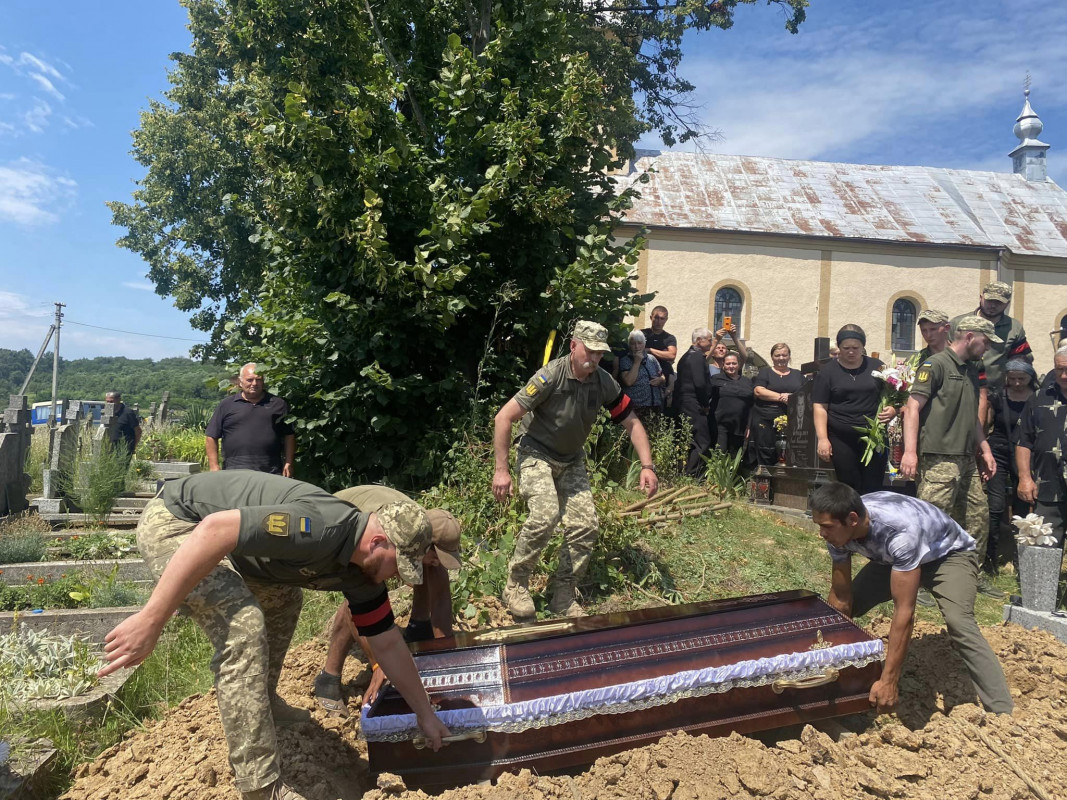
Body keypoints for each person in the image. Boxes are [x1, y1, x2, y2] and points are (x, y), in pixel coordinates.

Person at [98, 471, 452, 800]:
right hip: (178, 522)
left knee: (284, 599)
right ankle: (260, 786)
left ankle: (262, 701)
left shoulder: (362, 573)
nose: (398, 577)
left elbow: (387, 641)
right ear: (377, 542)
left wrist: (425, 714)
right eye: (398, 565)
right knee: (244, 626)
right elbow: (214, 530)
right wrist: (151, 619)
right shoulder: (320, 528)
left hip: (235, 551)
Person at [493, 320, 658, 619]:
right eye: (590, 351)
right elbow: (504, 418)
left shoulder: (603, 382)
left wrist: (647, 466)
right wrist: (501, 470)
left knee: (585, 525)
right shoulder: (550, 376)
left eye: (599, 353)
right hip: (536, 452)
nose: (594, 359)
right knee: (545, 515)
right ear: (573, 346)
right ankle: (516, 583)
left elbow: (632, 422)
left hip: (571, 459)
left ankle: (563, 596)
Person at [810, 482, 1013, 715]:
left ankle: (1001, 710)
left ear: (853, 519)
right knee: (839, 613)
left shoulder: (899, 532)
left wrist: (889, 682)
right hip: (893, 560)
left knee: (959, 622)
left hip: (947, 555)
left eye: (826, 527)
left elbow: (904, 612)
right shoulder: (839, 527)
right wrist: (828, 658)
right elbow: (841, 598)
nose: (821, 534)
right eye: (819, 526)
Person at [313, 485, 461, 717]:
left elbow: (441, 598)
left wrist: (445, 658)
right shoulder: (390, 538)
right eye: (436, 555)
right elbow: (358, 608)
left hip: (393, 534)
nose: (436, 562)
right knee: (363, 598)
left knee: (428, 568)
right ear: (424, 544)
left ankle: (417, 630)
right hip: (338, 526)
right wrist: (379, 665)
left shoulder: (423, 538)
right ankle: (328, 677)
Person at [901, 316, 1001, 597]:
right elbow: (912, 408)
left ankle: (970, 576)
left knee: (977, 518)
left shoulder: (972, 369)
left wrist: (985, 449)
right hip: (938, 457)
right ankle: (919, 581)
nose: (988, 348)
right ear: (969, 336)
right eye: (986, 341)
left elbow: (972, 417)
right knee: (931, 521)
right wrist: (910, 452)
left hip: (966, 457)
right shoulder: (936, 365)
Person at [813, 325, 896, 494]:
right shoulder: (827, 372)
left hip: (874, 435)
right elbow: (820, 407)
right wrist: (822, 439)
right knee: (849, 483)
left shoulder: (877, 367)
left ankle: (871, 518)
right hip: (841, 437)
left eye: (855, 348)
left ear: (863, 347)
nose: (851, 352)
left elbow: (894, 394)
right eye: (846, 348)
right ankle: (852, 518)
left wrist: (893, 409)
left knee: (873, 482)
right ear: (839, 348)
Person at [985, 360, 1037, 568]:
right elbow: (987, 422)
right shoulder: (998, 396)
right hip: (999, 451)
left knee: (1022, 504)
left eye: (1021, 379)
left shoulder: (1037, 398)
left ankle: (1020, 559)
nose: (1016, 383)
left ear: (1030, 378)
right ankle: (990, 559)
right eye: (1012, 378)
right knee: (995, 506)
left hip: (1026, 453)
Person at [1016, 345, 1067, 547]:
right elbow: (1023, 441)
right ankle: (1043, 580)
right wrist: (1024, 478)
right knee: (1044, 548)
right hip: (1048, 486)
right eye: (1059, 369)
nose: (1063, 375)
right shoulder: (1038, 398)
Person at [206, 363, 296, 476]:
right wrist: (214, 466)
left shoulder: (278, 404)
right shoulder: (226, 405)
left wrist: (288, 463)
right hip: (234, 470)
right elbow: (211, 436)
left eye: (258, 380)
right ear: (240, 381)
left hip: (271, 470)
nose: (254, 384)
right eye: (250, 380)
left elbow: (289, 435)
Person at [950, 281, 1032, 391]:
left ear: (1007, 304)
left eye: (998, 302)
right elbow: (946, 355)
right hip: (961, 388)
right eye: (989, 301)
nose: (993, 306)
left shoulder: (1014, 328)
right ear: (981, 298)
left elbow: (1022, 360)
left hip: (996, 392)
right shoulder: (958, 323)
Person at [752, 343, 803, 466]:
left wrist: (791, 397)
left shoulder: (798, 374)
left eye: (784, 355)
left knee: (788, 452)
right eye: (777, 355)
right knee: (767, 450)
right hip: (766, 420)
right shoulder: (765, 373)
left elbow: (805, 393)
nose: (781, 358)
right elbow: (758, 391)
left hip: (792, 420)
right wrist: (782, 397)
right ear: (772, 357)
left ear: (789, 356)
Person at [673, 328, 715, 476]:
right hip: (693, 403)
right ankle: (692, 475)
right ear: (699, 341)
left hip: (684, 402)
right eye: (709, 339)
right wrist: (705, 404)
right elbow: (700, 383)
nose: (711, 342)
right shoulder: (697, 357)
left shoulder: (687, 356)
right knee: (702, 441)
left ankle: (681, 473)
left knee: (687, 440)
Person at [709, 352, 753, 455]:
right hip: (720, 425)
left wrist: (749, 425)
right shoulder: (716, 379)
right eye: (728, 364)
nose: (731, 366)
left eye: (734, 363)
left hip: (740, 426)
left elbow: (751, 404)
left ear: (738, 365)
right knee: (720, 454)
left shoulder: (747, 382)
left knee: (735, 457)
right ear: (723, 365)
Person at [618, 330, 667, 419]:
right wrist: (637, 362)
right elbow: (628, 382)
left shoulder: (652, 359)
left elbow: (662, 376)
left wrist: (661, 380)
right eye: (633, 344)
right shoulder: (625, 360)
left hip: (655, 405)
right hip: (636, 407)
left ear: (644, 344)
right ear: (629, 345)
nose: (637, 347)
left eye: (640, 343)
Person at [642, 305, 678, 409]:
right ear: (651, 317)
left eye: (662, 318)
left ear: (666, 320)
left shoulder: (669, 338)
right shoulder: (642, 334)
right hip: (645, 377)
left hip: (664, 379)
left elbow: (671, 355)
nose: (658, 321)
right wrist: (663, 353)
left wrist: (650, 350)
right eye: (656, 318)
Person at [105, 390, 142, 461]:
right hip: (109, 448)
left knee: (121, 469)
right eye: (107, 402)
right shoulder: (107, 413)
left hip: (124, 448)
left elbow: (138, 431)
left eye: (111, 401)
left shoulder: (128, 413)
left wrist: (133, 447)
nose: (109, 404)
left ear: (119, 400)